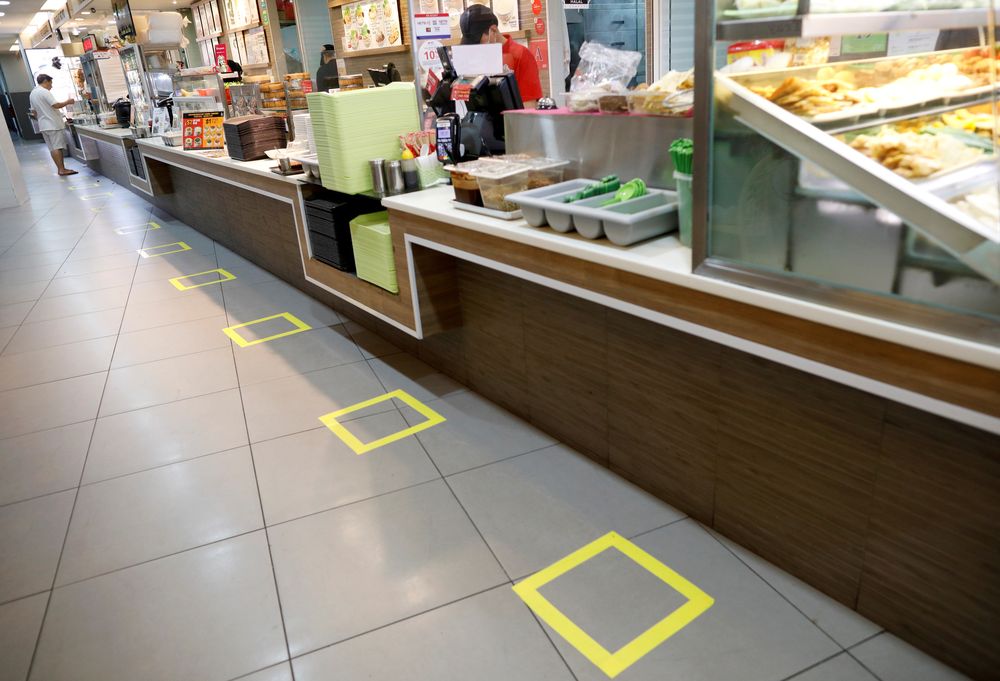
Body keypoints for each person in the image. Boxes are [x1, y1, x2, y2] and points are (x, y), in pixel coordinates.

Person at [459, 5, 542, 108]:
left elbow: (529, 107)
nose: (475, 48)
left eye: (477, 42)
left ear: (493, 30)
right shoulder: (475, 57)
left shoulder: (521, 55)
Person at [29, 74, 77, 176]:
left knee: (52, 148)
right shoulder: (44, 92)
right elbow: (56, 105)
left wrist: (43, 115)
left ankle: (60, 169)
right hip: (53, 125)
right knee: (57, 147)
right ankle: (62, 170)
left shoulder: (33, 93)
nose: (51, 86)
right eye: (51, 83)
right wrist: (68, 102)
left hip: (43, 125)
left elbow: (33, 112)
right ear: (46, 81)